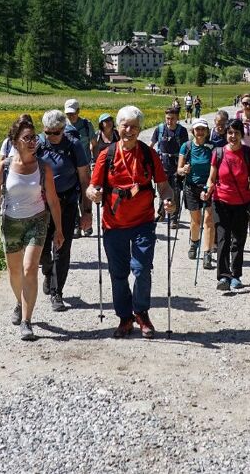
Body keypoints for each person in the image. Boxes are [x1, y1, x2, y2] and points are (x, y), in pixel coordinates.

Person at [86, 105, 174, 339]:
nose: (129, 130)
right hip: (113, 225)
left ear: (140, 129)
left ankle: (141, 313)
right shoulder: (108, 154)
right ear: (117, 127)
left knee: (142, 269)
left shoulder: (148, 154)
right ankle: (125, 317)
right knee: (118, 273)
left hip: (143, 222)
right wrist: (92, 194)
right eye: (125, 126)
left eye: (134, 127)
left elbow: (164, 187)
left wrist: (168, 201)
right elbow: (92, 187)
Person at [0, 115, 64, 341]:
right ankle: (19, 301)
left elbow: (54, 201)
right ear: (15, 141)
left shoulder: (43, 168)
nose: (32, 142)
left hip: (37, 220)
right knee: (15, 272)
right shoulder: (5, 167)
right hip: (10, 223)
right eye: (26, 138)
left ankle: (27, 321)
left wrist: (59, 230)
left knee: (29, 269)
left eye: (34, 138)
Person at [38, 109, 92, 312]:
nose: (51, 137)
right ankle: (48, 269)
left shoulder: (73, 145)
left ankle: (56, 292)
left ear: (63, 129)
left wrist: (86, 211)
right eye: (48, 132)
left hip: (67, 203)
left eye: (56, 133)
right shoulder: (38, 144)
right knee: (42, 248)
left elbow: (84, 178)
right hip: (41, 206)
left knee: (62, 248)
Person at [205, 118, 250, 291]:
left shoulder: (248, 153)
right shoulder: (218, 153)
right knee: (223, 239)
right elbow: (212, 178)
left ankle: (236, 275)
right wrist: (207, 190)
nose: (233, 136)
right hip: (220, 201)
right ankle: (223, 276)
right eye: (230, 133)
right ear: (226, 134)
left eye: (236, 133)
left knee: (238, 240)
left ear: (241, 135)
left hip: (242, 203)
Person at [178, 118, 215, 269]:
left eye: (203, 129)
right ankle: (194, 243)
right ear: (192, 131)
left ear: (207, 132)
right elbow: (179, 170)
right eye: (197, 129)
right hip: (191, 188)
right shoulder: (186, 147)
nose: (200, 132)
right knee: (196, 221)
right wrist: (183, 170)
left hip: (209, 187)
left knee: (208, 220)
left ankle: (207, 253)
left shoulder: (212, 148)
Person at [150, 107, 188, 228]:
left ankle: (174, 219)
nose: (169, 121)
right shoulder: (160, 129)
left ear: (177, 118)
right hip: (162, 166)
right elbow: (151, 146)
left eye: (172, 119)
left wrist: (184, 166)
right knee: (162, 191)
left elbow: (186, 149)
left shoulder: (182, 131)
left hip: (176, 167)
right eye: (167, 118)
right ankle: (161, 214)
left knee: (175, 192)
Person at [64, 99, 96, 236]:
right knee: (71, 196)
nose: (70, 116)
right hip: (69, 167)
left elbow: (93, 144)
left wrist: (94, 160)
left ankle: (87, 224)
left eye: (73, 113)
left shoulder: (86, 125)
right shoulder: (62, 126)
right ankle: (76, 225)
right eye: (68, 114)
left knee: (85, 195)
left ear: (78, 111)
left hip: (84, 165)